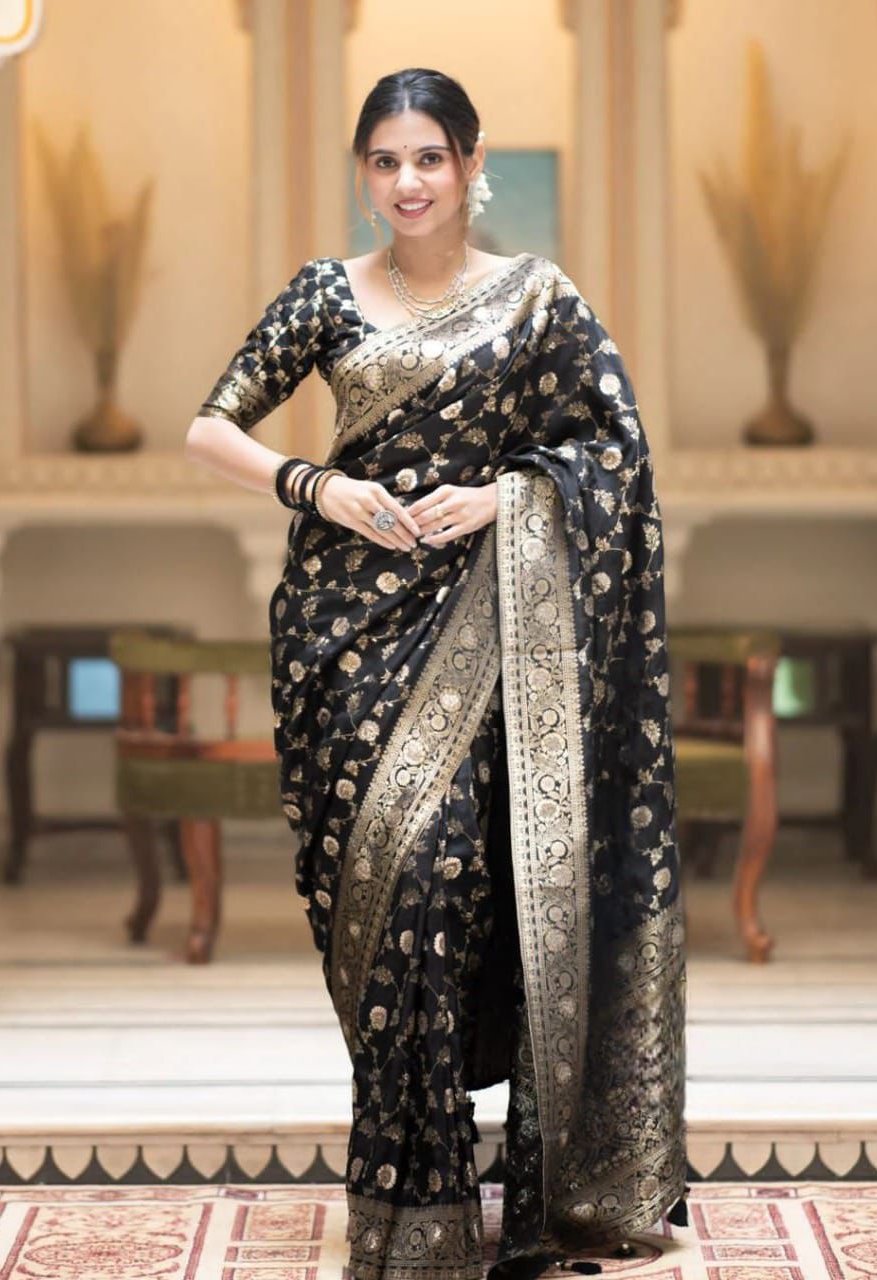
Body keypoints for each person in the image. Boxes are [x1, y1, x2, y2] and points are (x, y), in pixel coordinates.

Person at [185, 65, 688, 1280]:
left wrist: (505, 496)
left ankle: (473, 1200)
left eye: (427, 158)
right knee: (382, 891)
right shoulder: (326, 293)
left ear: (470, 166)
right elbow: (209, 424)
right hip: (343, 635)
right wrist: (318, 486)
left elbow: (612, 453)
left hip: (492, 632)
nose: (406, 181)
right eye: (384, 160)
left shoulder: (535, 300)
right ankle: (409, 1209)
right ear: (364, 173)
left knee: (449, 884)